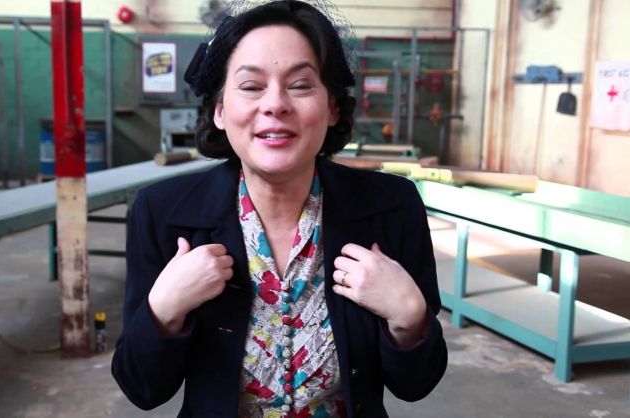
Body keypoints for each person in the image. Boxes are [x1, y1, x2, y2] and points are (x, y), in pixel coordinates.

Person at [111, 1, 447, 416]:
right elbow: (142, 389)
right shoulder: (162, 213)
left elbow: (416, 385)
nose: (275, 104)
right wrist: (164, 309)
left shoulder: (392, 207)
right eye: (251, 86)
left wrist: (410, 316)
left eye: (301, 85)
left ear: (333, 108)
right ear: (220, 110)